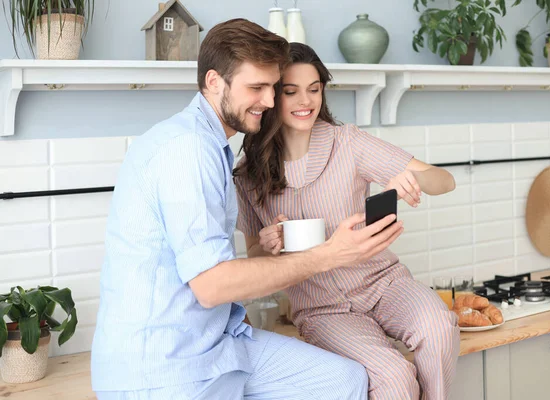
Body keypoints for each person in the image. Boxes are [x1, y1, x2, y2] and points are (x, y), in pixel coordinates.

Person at [90, 19, 404, 400]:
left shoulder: (213, 146)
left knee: (344, 380)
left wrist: (267, 250)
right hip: (165, 369)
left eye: (272, 87)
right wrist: (329, 255)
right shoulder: (186, 150)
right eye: (256, 87)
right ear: (213, 82)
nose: (270, 102)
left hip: (219, 342)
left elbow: (216, 269)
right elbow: (212, 286)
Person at [234, 42, 460, 400]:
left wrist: (414, 180)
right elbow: (253, 264)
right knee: (394, 378)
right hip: (322, 310)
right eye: (291, 92)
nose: (305, 102)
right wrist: (268, 247)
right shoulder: (248, 177)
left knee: (439, 325)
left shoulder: (348, 142)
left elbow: (444, 180)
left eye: (314, 90)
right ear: (272, 97)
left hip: (385, 284)